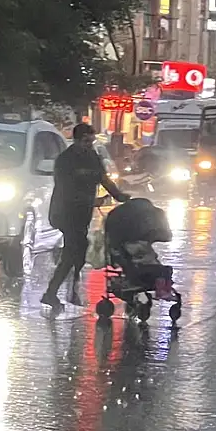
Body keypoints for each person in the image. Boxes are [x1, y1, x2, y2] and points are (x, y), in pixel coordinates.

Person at [41, 123, 129, 311]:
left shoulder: (93, 157)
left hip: (83, 213)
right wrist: (91, 201)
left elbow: (103, 179)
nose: (89, 145)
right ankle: (53, 293)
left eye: (91, 141)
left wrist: (119, 195)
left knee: (78, 253)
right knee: (73, 251)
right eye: (86, 141)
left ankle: (68, 289)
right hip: (66, 212)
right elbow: (65, 187)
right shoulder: (65, 160)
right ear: (77, 140)